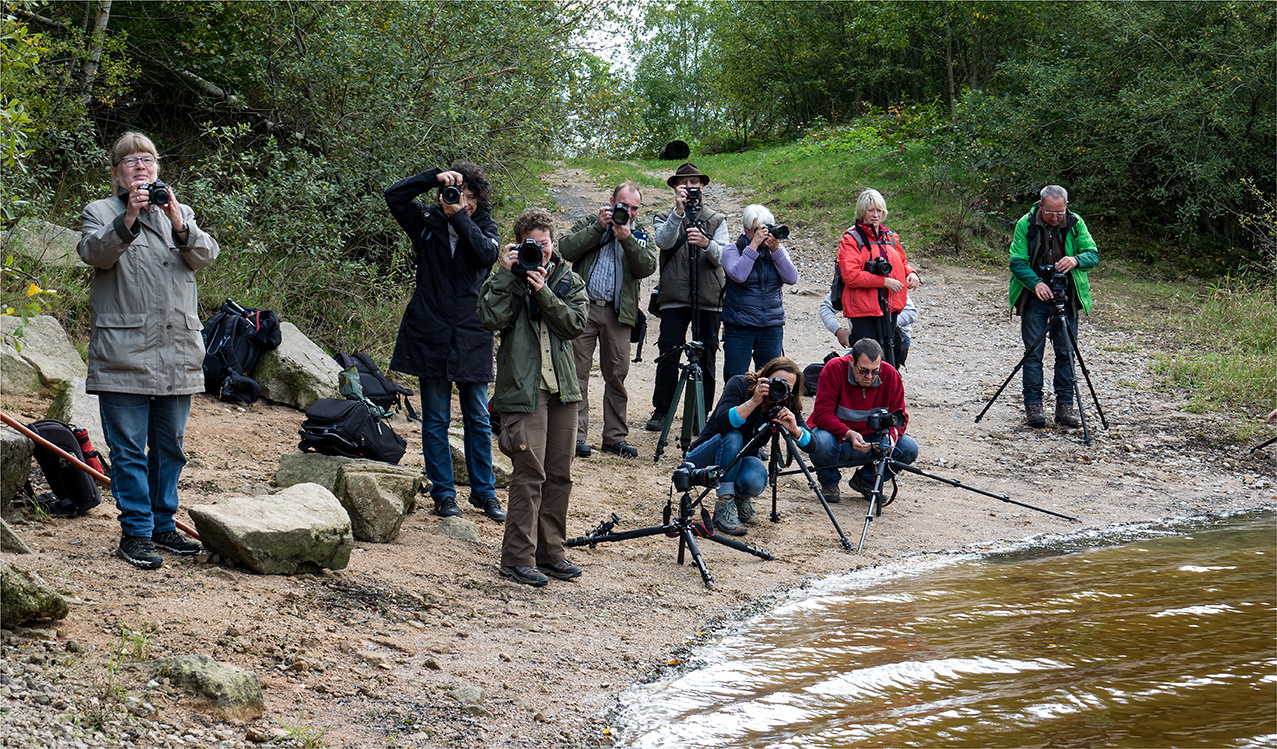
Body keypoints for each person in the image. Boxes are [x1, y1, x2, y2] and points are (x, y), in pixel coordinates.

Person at [78, 131, 219, 569]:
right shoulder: (100, 212)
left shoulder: (180, 211)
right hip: (124, 350)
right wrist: (130, 219)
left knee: (169, 448)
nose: (141, 166)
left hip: (177, 349)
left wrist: (177, 220)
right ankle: (136, 532)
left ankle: (163, 526)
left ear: (158, 169)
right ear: (117, 172)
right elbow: (95, 254)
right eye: (131, 160)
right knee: (127, 450)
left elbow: (205, 255)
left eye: (149, 160)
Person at [385, 163, 504, 522]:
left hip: (472, 332)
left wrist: (459, 218)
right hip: (430, 330)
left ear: (478, 200)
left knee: (478, 419)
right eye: (456, 195)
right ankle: (444, 494)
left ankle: (485, 494)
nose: (462, 202)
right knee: (435, 419)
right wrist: (433, 177)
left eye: (469, 197)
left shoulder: (485, 226)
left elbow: (485, 255)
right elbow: (394, 195)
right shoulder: (426, 221)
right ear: (442, 195)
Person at [477, 208, 588, 587]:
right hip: (524, 390)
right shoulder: (507, 276)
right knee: (529, 474)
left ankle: (550, 553)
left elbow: (573, 324)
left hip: (563, 390)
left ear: (553, 244)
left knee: (560, 474)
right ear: (518, 244)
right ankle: (517, 558)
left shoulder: (568, 278)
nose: (538, 252)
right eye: (531, 245)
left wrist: (543, 292)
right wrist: (506, 274)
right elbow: (489, 317)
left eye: (544, 245)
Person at [559, 182, 657, 460]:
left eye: (635, 208)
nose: (629, 212)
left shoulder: (638, 234)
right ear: (612, 201)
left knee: (616, 375)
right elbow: (565, 249)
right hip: (583, 309)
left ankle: (614, 438)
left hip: (618, 314)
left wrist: (626, 237)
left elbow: (647, 267)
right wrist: (598, 229)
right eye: (624, 206)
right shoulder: (592, 222)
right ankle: (575, 436)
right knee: (576, 373)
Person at [645, 162, 730, 432]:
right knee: (669, 350)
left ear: (703, 186)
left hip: (708, 297)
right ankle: (662, 410)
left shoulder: (717, 219)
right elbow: (664, 241)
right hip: (674, 294)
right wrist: (678, 213)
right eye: (684, 184)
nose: (691, 188)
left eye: (695, 183)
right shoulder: (664, 216)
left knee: (707, 354)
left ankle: (700, 416)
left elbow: (725, 257)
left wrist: (707, 244)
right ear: (675, 188)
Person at [686, 357, 814, 536]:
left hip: (739, 460)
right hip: (702, 459)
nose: (779, 389)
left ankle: (740, 497)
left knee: (753, 480)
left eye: (787, 387)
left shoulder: (785, 403)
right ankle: (724, 504)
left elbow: (812, 445)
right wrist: (754, 401)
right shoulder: (740, 384)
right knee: (733, 436)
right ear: (764, 377)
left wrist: (795, 429)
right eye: (775, 382)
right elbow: (722, 423)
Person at [1009, 184, 1100, 428]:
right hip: (1034, 298)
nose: (1055, 217)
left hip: (1066, 297)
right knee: (1033, 353)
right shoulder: (1026, 224)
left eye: (1059, 212)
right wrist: (1036, 283)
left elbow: (1094, 254)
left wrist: (1076, 259)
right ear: (1041, 206)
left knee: (1066, 352)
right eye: (1050, 212)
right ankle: (1034, 407)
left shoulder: (1075, 222)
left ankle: (1065, 407)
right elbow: (1017, 262)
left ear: (1066, 207)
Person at [809, 338, 919, 501]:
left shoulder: (890, 375)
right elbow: (822, 414)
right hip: (839, 438)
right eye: (864, 371)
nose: (870, 376)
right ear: (852, 361)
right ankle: (829, 483)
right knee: (822, 441)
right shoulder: (834, 369)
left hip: (874, 439)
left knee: (908, 448)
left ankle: (866, 481)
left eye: (875, 371)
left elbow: (900, 417)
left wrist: (891, 437)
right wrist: (848, 433)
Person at [836, 189, 920, 369]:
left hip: (888, 308)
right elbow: (851, 275)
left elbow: (902, 262)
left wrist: (911, 273)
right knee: (866, 358)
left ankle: (888, 391)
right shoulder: (851, 239)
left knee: (892, 352)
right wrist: (883, 282)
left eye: (879, 211)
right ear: (862, 212)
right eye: (871, 210)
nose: (876, 215)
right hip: (863, 310)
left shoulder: (890, 237)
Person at [721, 205, 798, 382]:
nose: (765, 233)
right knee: (736, 379)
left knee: (772, 379)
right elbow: (738, 275)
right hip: (740, 325)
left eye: (768, 227)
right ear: (747, 229)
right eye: (759, 229)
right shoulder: (731, 250)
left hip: (771, 325)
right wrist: (753, 245)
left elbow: (792, 278)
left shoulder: (775, 251)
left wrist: (776, 252)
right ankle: (734, 410)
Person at [821, 290, 918, 368]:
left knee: (880, 374)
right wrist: (838, 331)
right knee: (839, 371)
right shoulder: (850, 284)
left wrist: (882, 325)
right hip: (864, 340)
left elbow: (911, 313)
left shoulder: (889, 281)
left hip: (894, 338)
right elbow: (826, 307)